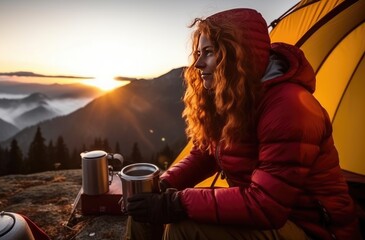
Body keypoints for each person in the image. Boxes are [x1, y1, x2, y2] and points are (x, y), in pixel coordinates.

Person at [125, 8, 361, 240]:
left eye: (208, 52)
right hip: (271, 215)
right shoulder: (234, 94)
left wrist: (177, 203)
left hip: (312, 228)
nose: (197, 64)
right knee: (143, 213)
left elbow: (266, 205)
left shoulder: (289, 107)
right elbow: (205, 153)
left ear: (237, 54)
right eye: (198, 53)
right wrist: (164, 185)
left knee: (184, 228)